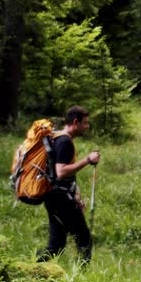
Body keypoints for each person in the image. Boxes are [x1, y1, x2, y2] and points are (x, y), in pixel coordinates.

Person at [37, 105, 101, 263]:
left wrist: (76, 194)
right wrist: (87, 160)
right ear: (75, 122)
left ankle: (35, 267)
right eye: (85, 123)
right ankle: (82, 275)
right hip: (61, 198)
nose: (87, 126)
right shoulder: (65, 141)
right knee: (84, 240)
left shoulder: (57, 137)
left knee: (56, 245)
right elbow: (61, 171)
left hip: (53, 196)